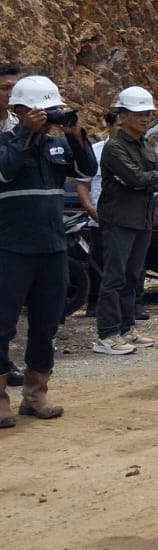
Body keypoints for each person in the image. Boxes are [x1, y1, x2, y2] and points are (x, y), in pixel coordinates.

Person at [0, 76, 97, 426]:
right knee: (2, 325)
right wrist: (25, 134)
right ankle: (0, 400)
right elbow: (5, 171)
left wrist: (74, 136)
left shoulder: (56, 146)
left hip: (53, 248)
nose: (48, 117)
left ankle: (35, 394)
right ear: (20, 111)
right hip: (11, 249)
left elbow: (88, 170)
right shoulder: (6, 142)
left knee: (47, 323)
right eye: (40, 111)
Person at [94, 86, 158, 356]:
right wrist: (146, 179)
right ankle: (107, 334)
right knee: (114, 278)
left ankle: (126, 328)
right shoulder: (114, 148)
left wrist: (144, 179)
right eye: (139, 113)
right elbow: (139, 178)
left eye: (148, 113)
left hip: (141, 219)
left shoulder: (144, 144)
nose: (145, 118)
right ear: (122, 116)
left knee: (132, 277)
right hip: (119, 220)